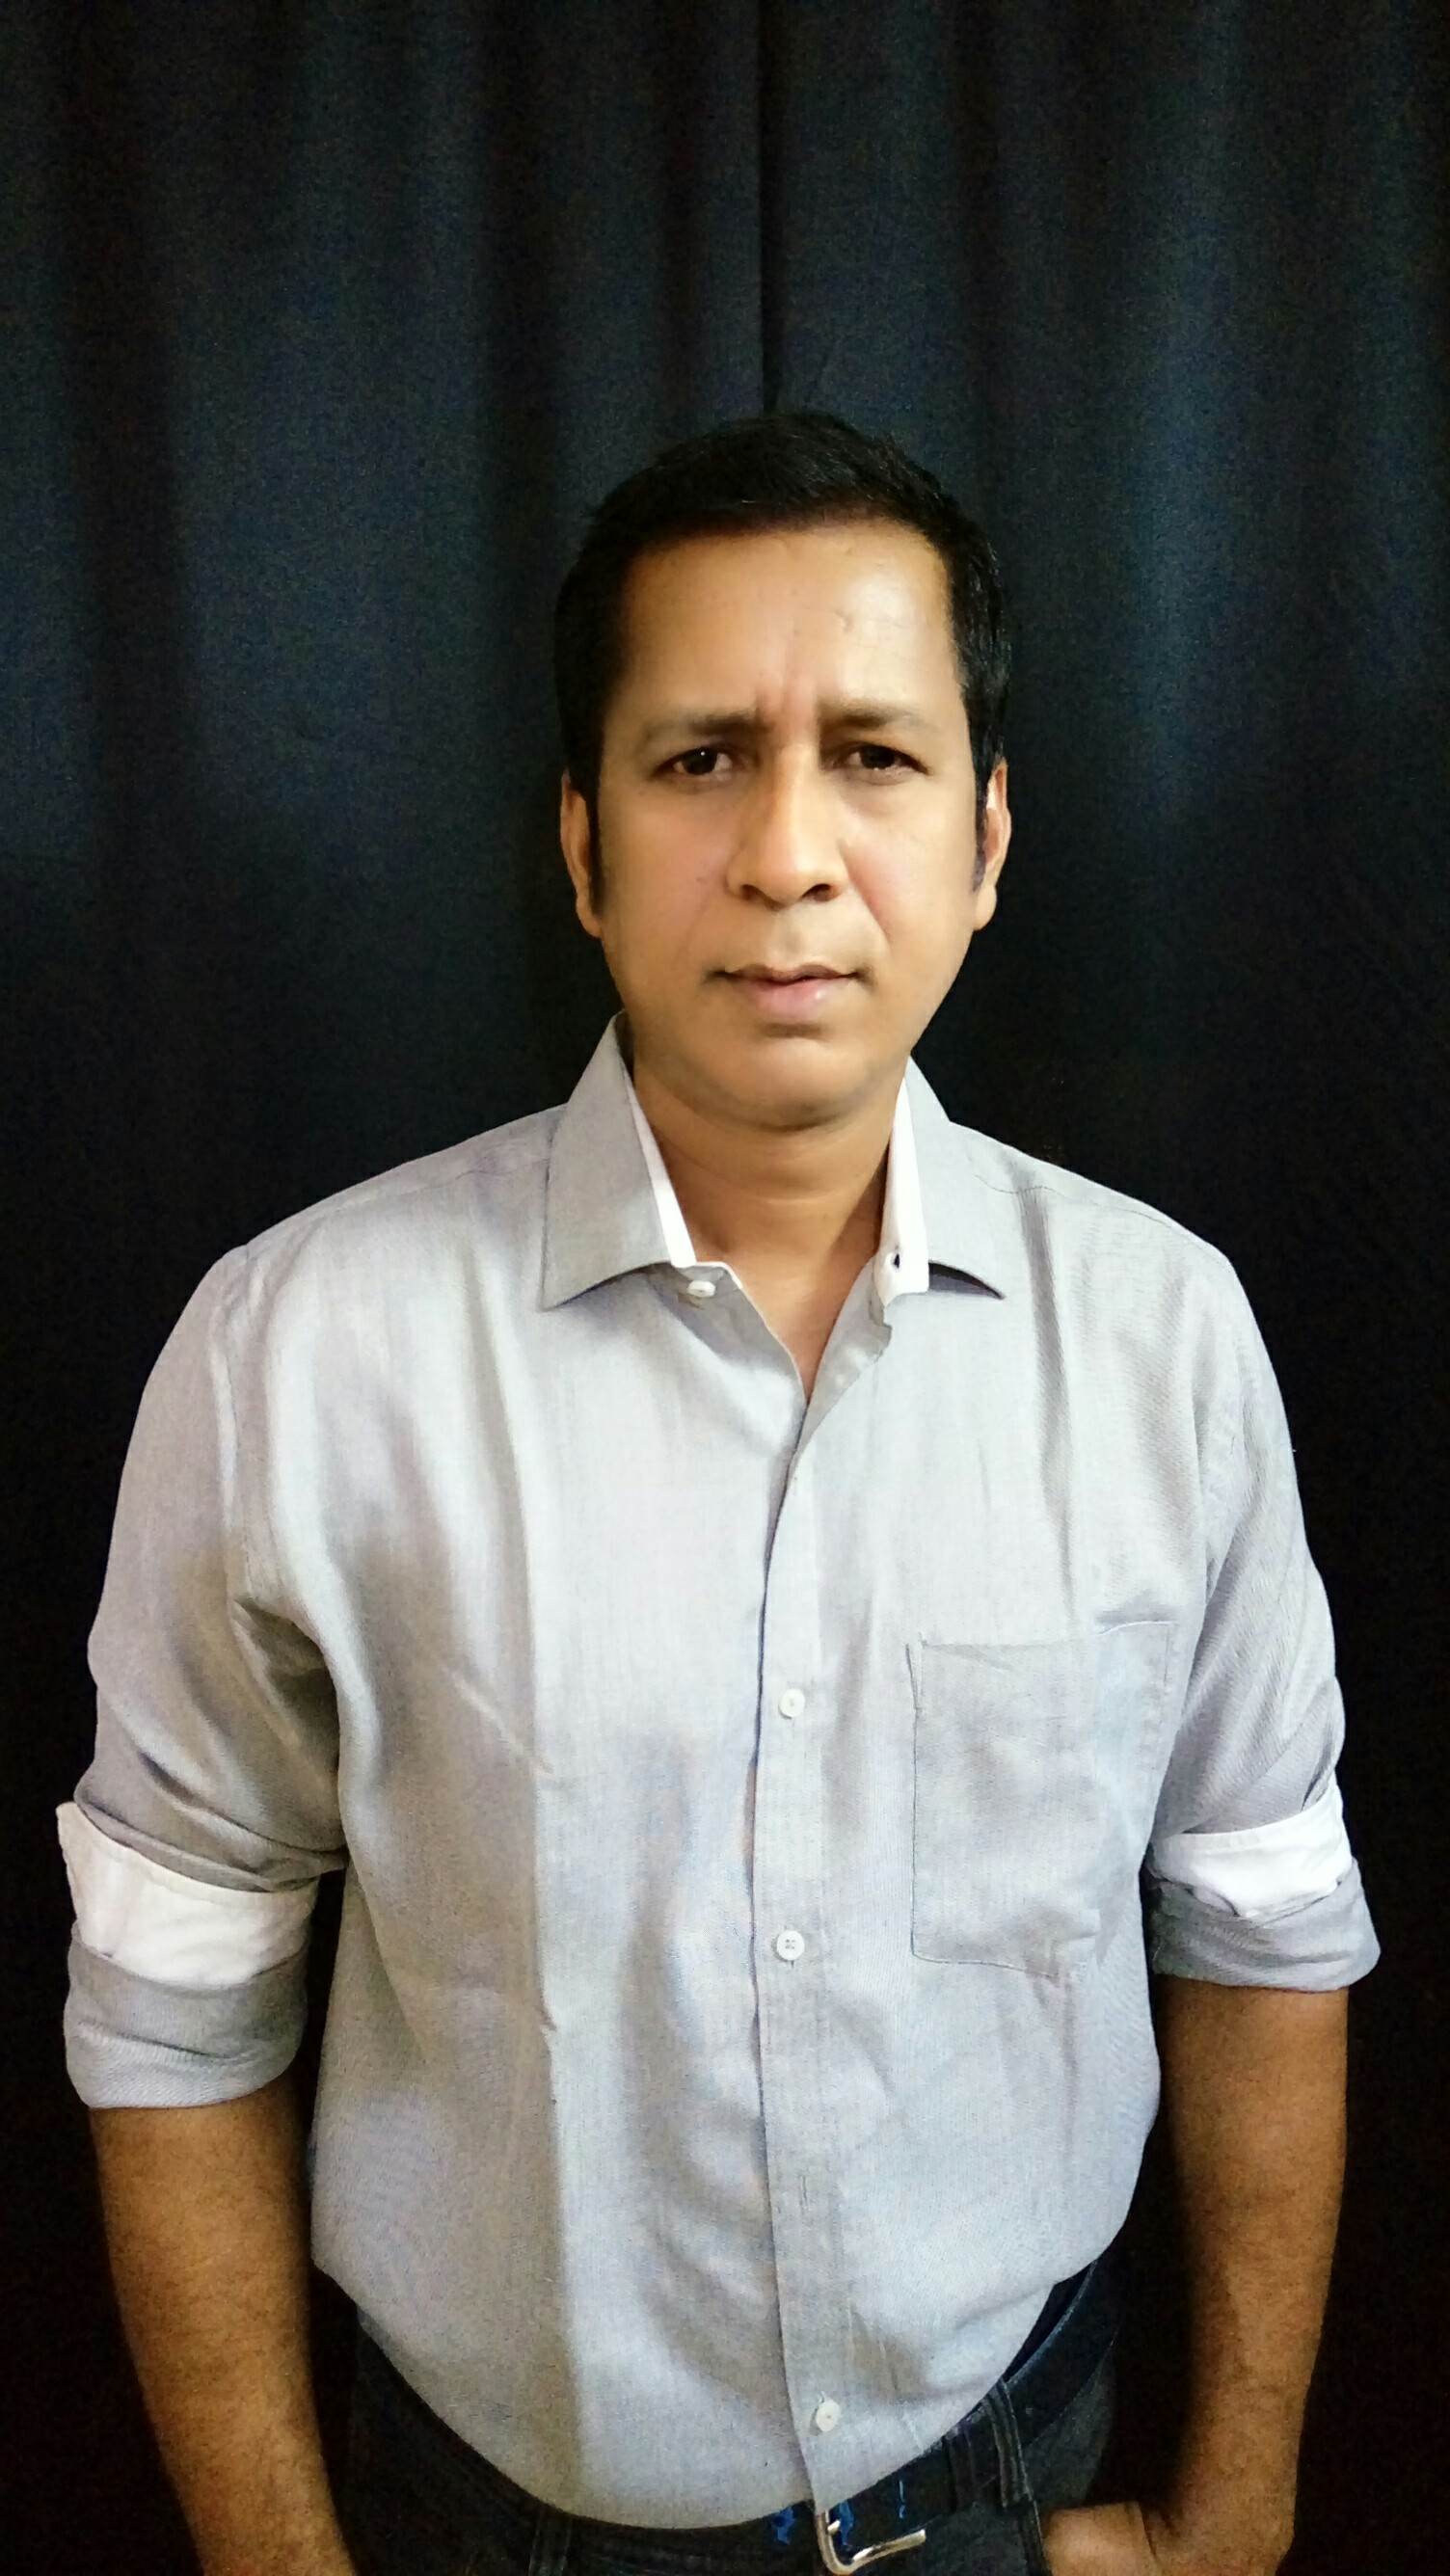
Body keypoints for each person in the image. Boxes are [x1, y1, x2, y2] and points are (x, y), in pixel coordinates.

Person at [60, 414, 1378, 2576]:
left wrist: (1238, 2510)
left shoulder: (1165, 1338)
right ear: (583, 849)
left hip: (1005, 2486)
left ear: (986, 833)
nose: (786, 854)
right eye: (699, 760)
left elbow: (1262, 1934)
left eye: (872, 755)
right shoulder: (294, 1352)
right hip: (473, 2518)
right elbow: (170, 2010)